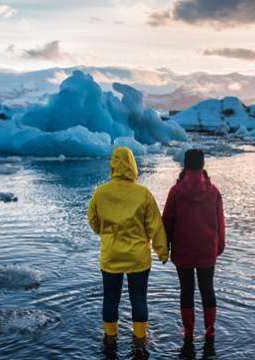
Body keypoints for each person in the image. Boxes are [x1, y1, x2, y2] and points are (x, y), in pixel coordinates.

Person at [88, 147, 169, 357]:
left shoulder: (100, 193)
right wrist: (162, 251)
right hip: (138, 258)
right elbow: (155, 226)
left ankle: (110, 338)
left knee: (110, 298)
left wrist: (106, 233)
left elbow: (94, 222)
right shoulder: (143, 194)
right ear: (133, 165)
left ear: (113, 165)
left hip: (111, 256)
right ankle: (141, 341)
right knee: (139, 298)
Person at [162, 149, 226, 359]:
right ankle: (210, 330)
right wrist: (220, 246)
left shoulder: (176, 191)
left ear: (185, 165)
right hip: (207, 248)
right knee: (208, 289)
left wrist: (166, 246)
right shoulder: (214, 191)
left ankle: (188, 332)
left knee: (186, 290)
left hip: (183, 249)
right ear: (202, 165)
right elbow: (220, 223)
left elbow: (167, 222)